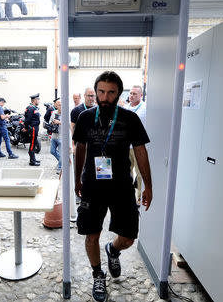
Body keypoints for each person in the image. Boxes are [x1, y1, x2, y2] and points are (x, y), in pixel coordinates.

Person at [73, 71, 153, 302]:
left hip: (122, 187)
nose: (105, 97)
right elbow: (80, 148)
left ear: (119, 93)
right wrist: (77, 178)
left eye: (110, 92)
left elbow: (141, 152)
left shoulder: (130, 119)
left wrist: (147, 185)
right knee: (91, 234)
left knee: (128, 237)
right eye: (101, 92)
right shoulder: (86, 117)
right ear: (95, 92)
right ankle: (98, 274)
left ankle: (113, 250)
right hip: (92, 186)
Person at [124, 85, 146, 204]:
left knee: (140, 174)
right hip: (126, 146)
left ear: (141, 95)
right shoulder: (126, 107)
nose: (131, 96)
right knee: (126, 172)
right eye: (131, 93)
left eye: (134, 94)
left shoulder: (145, 108)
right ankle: (128, 196)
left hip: (138, 147)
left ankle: (139, 198)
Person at [23, 93, 41, 166]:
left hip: (35, 127)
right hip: (33, 128)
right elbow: (27, 120)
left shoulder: (33, 108)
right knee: (33, 144)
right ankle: (32, 162)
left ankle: (33, 159)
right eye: (38, 100)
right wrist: (26, 128)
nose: (39, 101)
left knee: (33, 143)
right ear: (34, 100)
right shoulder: (30, 108)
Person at [49, 99, 62, 172]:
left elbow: (69, 124)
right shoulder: (53, 113)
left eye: (61, 105)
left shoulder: (66, 113)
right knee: (52, 151)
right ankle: (62, 162)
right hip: (54, 136)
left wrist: (59, 122)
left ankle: (60, 168)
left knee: (61, 153)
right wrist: (52, 122)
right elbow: (50, 122)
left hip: (61, 136)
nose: (59, 106)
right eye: (58, 105)